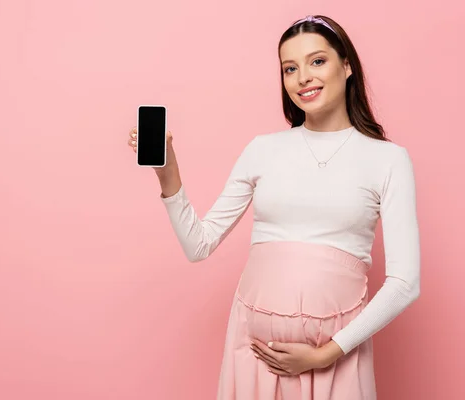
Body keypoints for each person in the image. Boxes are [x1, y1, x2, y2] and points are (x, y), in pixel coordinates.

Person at [127, 14, 420, 400]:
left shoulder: (388, 160)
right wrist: (168, 172)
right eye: (289, 68)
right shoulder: (263, 150)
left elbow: (404, 284)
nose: (303, 78)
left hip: (336, 362)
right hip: (253, 358)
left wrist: (324, 355)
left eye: (317, 61)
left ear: (347, 65)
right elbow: (198, 245)